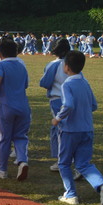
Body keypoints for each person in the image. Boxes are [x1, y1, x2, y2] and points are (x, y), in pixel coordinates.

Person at [51, 51, 103, 205]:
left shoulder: (67, 84)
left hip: (70, 130)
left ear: (67, 67)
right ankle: (102, 185)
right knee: (83, 163)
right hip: (87, 129)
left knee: (64, 163)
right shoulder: (85, 83)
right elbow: (94, 105)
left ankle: (71, 194)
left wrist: (58, 118)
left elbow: (69, 105)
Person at [0, 38, 30, 181]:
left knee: (4, 138)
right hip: (23, 106)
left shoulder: (1, 64)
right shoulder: (22, 66)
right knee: (20, 136)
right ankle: (22, 160)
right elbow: (25, 85)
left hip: (6, 105)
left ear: (0, 53)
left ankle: (2, 169)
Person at [39, 38, 70, 172]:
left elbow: (45, 83)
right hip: (71, 98)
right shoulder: (71, 63)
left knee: (59, 129)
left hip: (57, 99)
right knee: (66, 128)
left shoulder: (53, 64)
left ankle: (61, 160)